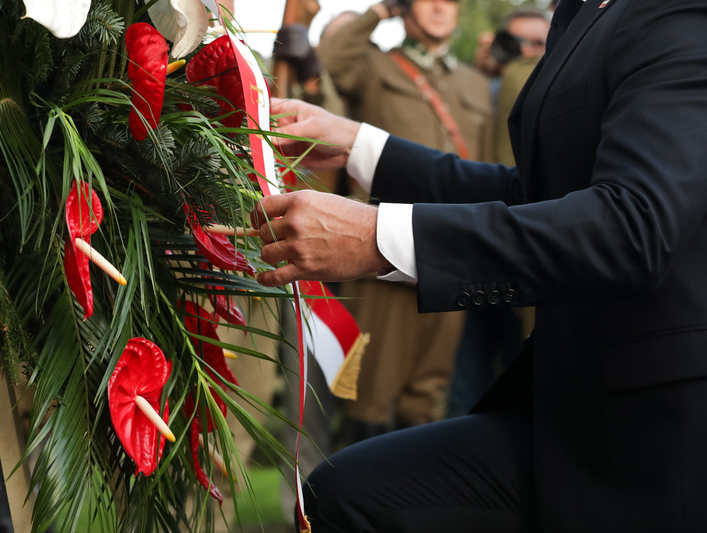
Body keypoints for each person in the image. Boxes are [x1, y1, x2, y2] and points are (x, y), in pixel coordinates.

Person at [250, 0, 707, 530]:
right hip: (570, 405)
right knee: (347, 493)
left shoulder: (680, 12)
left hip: (659, 436)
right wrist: (361, 146)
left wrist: (379, 238)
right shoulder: (580, 15)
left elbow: (633, 228)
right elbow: (532, 194)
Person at [317, 0, 492, 440]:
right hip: (380, 252)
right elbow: (329, 64)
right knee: (368, 396)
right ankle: (351, 503)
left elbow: (488, 167)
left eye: (450, 1)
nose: (439, 6)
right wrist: (379, 12)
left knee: (429, 393)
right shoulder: (376, 66)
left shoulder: (473, 82)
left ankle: (416, 505)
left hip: (452, 255)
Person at [446, 8, 550, 419]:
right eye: (515, 43)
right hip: (466, 260)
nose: (525, 54)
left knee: (520, 384)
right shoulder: (468, 85)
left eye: (538, 45)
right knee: (463, 388)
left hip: (526, 260)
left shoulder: (547, 88)